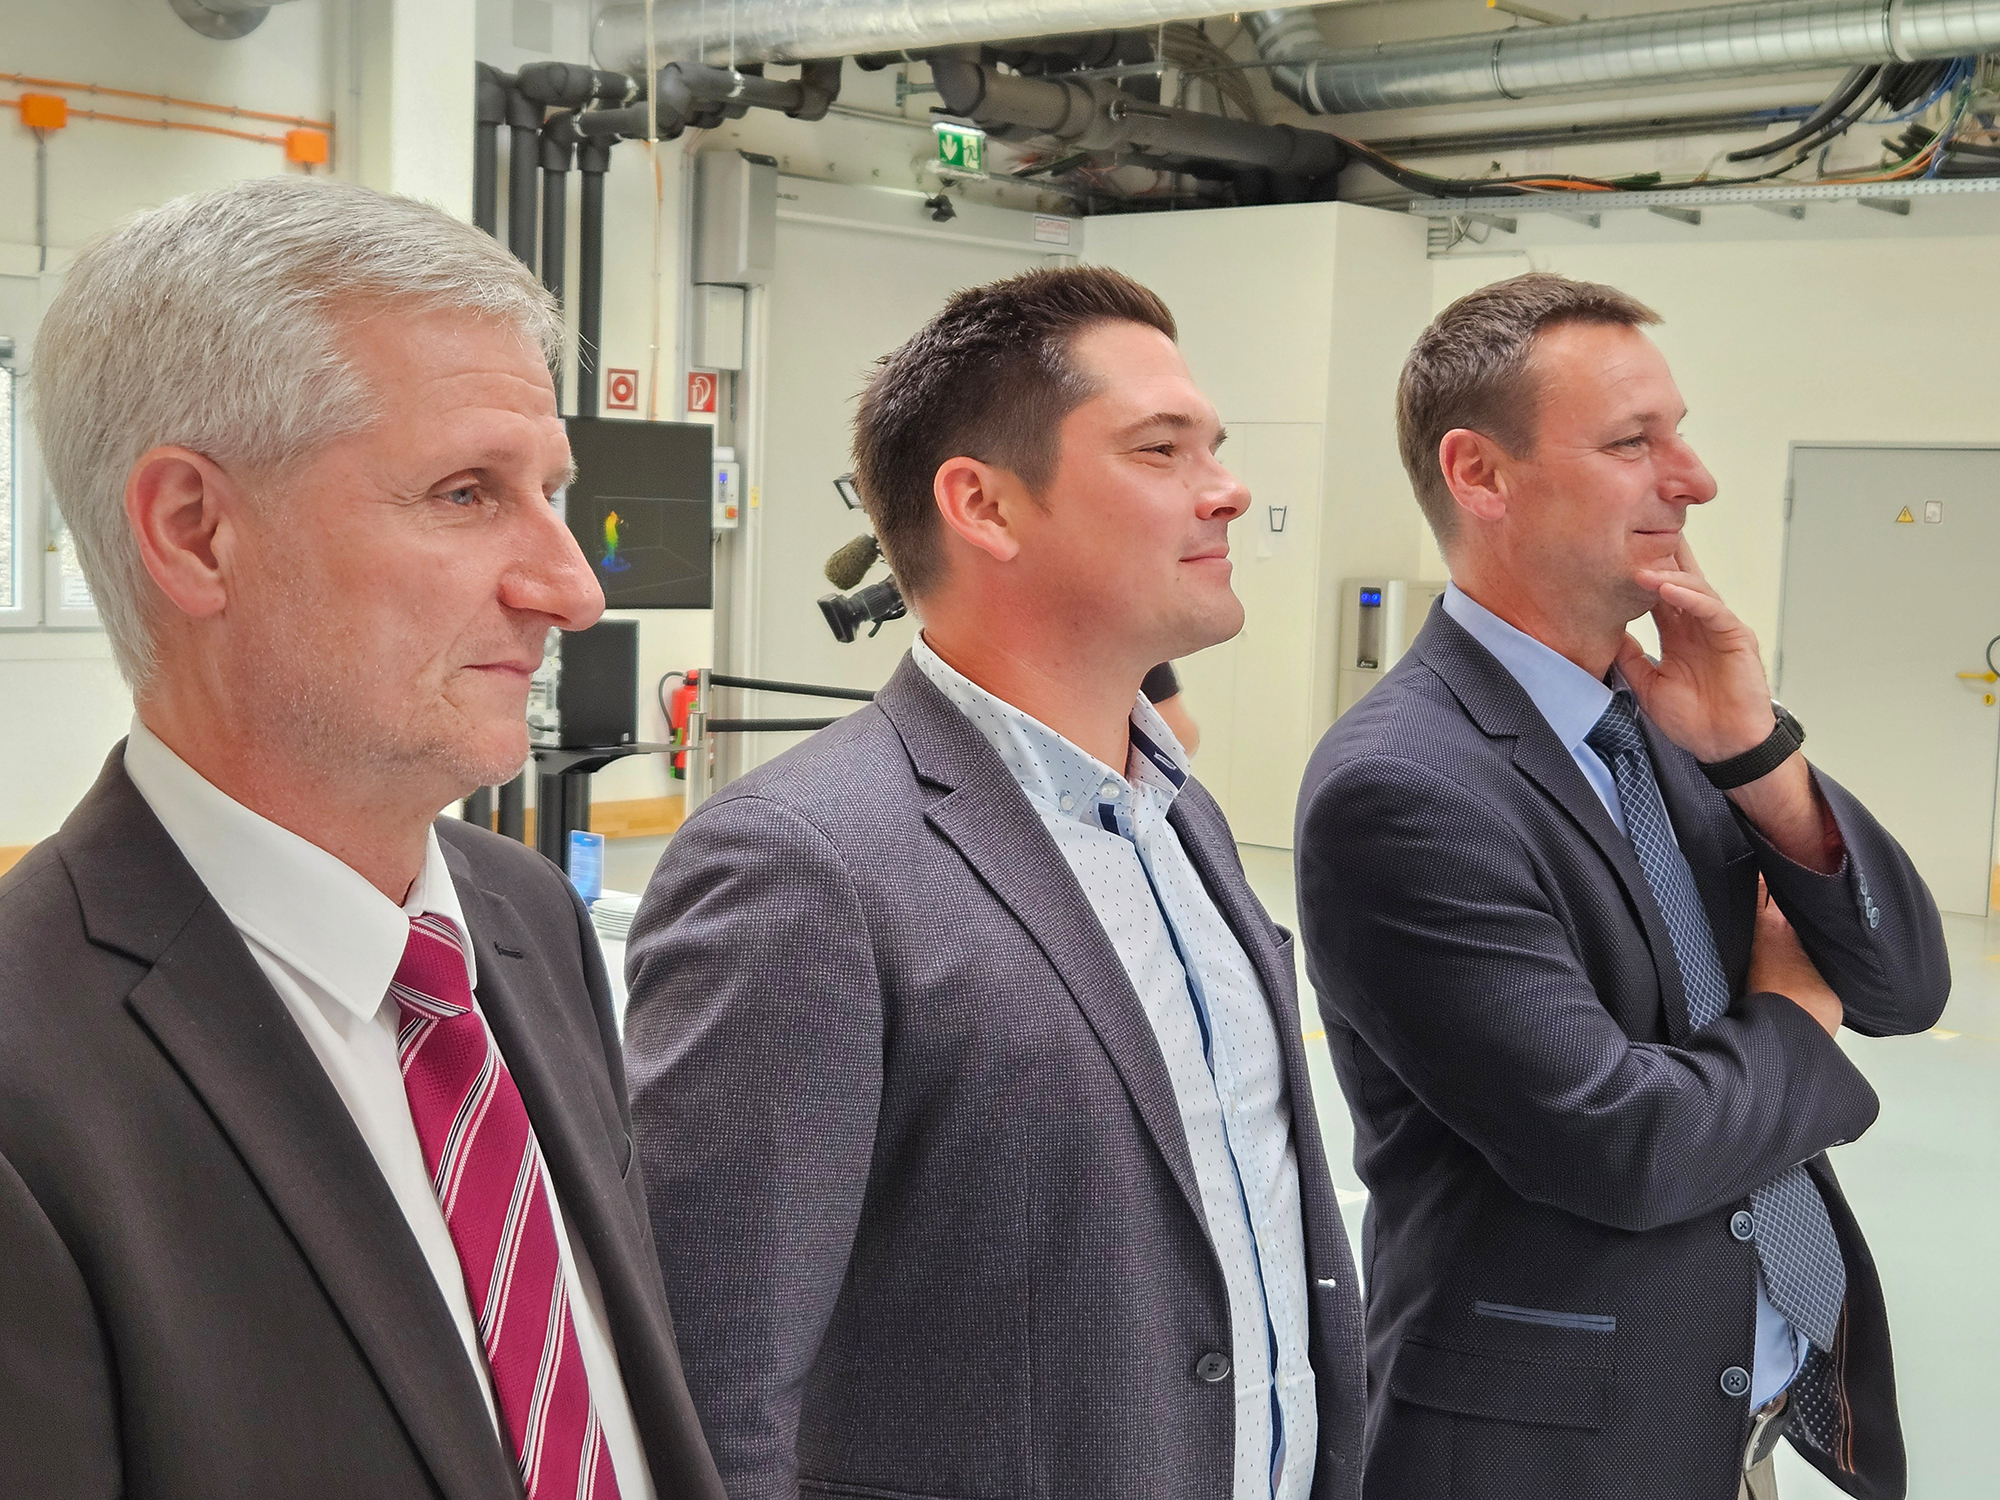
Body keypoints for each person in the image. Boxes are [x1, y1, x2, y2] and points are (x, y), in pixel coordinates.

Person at [0, 177, 724, 1500]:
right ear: (196, 533)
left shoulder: (526, 926)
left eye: (551, 493)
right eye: (465, 493)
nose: (571, 588)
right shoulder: (28, 1079)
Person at [624, 265, 1365, 1500]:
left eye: (1214, 447)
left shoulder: (1179, 818)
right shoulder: (801, 864)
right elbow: (713, 1382)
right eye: (1159, 449)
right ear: (983, 505)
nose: (1227, 489)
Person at [1294, 271, 1948, 1500]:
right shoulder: (1405, 788)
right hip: (1551, 1452)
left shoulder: (1667, 721)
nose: (1692, 480)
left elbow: (1903, 986)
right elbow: (1621, 1147)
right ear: (1479, 475)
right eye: (1631, 443)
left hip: (1717, 1428)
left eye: (1676, 435)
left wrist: (1756, 756)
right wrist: (1790, 1016)